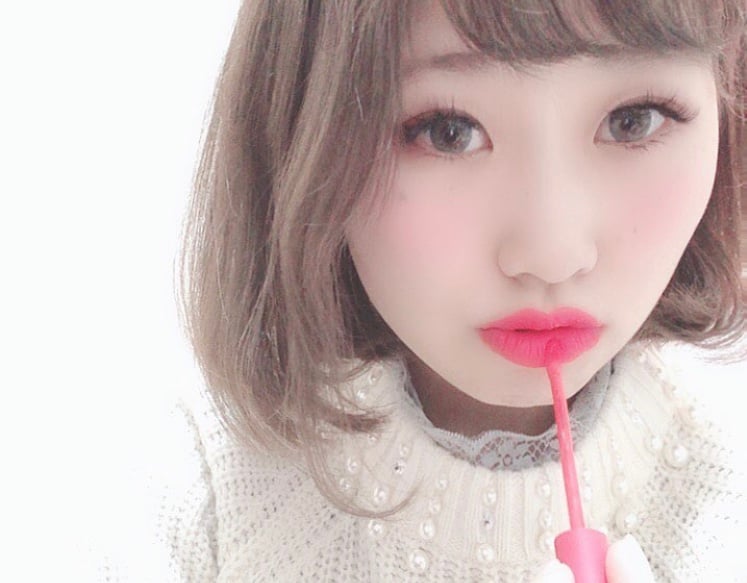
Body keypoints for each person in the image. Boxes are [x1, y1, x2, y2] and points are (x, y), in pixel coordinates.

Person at [164, 0, 747, 580]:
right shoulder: (190, 497)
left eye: (633, 120)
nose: (551, 255)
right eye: (449, 133)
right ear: (300, 132)